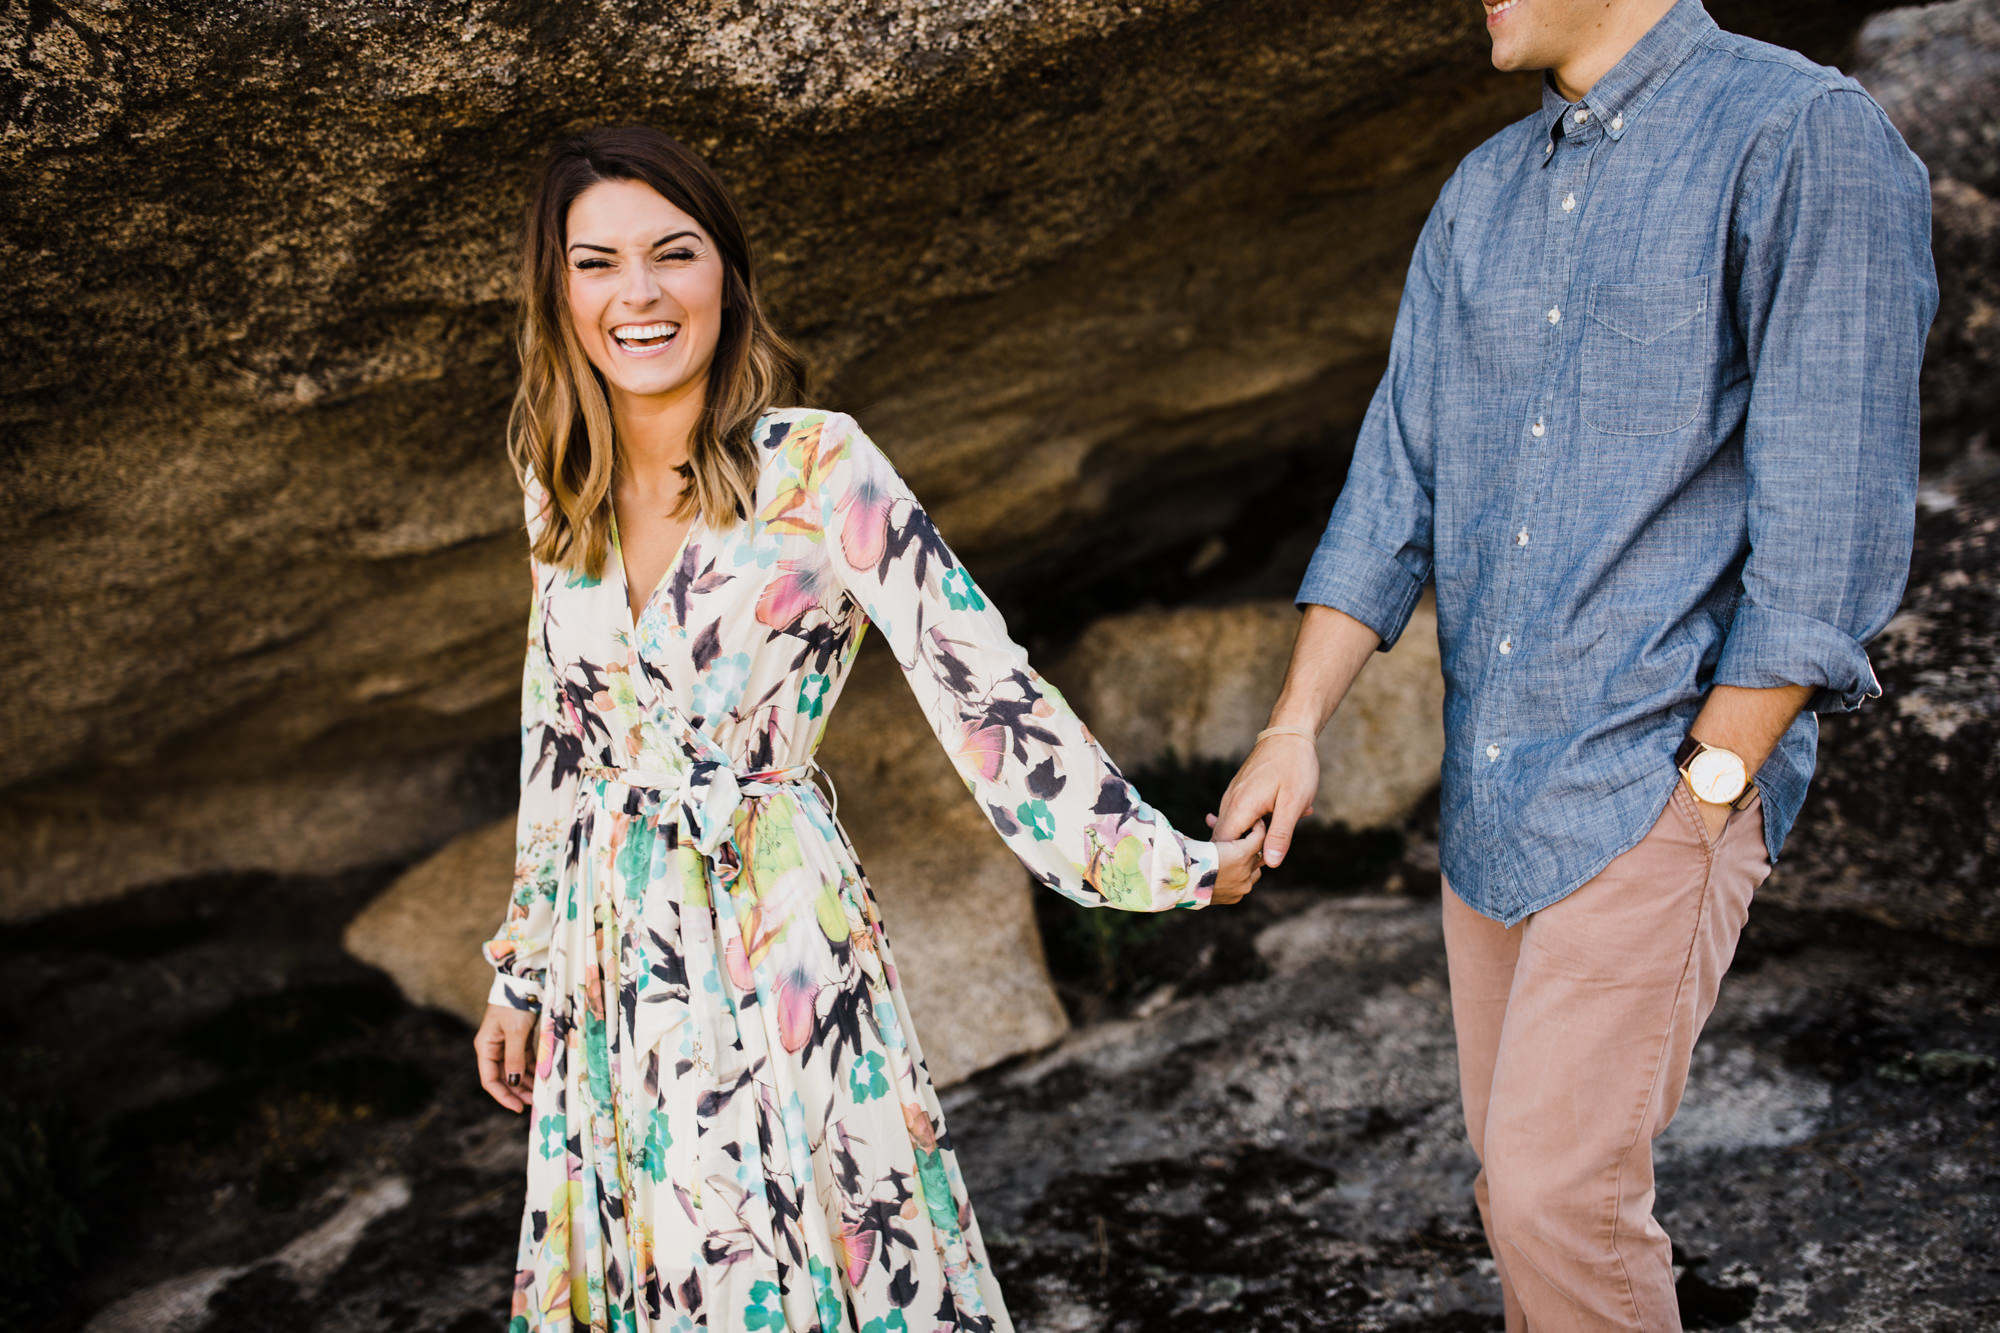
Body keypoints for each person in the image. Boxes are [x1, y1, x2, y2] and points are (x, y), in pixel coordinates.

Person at [469, 126, 1266, 1333]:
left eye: (671, 254)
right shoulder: (554, 471)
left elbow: (975, 675)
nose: (636, 295)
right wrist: (523, 968)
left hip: (775, 932)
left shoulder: (818, 463)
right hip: (611, 947)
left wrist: (1165, 865)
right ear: (557, 288)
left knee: (794, 1265)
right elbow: (559, 733)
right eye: (596, 263)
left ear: (724, 277)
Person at [1211, 2, 1936, 1329]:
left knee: (1559, 1194)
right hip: (1495, 790)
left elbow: (1832, 512)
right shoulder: (1479, 192)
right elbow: (1395, 485)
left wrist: (1712, 778)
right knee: (1521, 1195)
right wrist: (1295, 725)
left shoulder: (1800, 134)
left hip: (1658, 768)